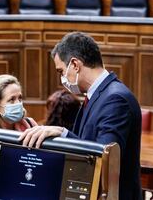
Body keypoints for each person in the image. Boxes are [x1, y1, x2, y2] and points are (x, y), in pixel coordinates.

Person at [19, 32, 142, 200]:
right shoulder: (98, 94)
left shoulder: (115, 99)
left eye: (61, 71)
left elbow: (104, 159)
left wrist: (63, 133)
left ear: (75, 64)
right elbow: (87, 142)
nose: (62, 78)